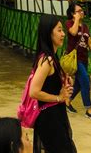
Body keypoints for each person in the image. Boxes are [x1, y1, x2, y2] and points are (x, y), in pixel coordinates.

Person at [29, 14, 76, 153]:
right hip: (50, 118)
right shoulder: (47, 60)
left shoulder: (52, 57)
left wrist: (64, 80)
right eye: (59, 30)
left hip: (55, 115)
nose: (63, 34)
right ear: (49, 33)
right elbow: (33, 92)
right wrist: (58, 98)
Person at [65, 2, 91, 119]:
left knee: (79, 84)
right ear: (72, 13)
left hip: (84, 58)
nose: (81, 12)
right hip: (74, 59)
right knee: (85, 81)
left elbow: (89, 43)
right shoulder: (69, 23)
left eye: (82, 10)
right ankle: (89, 109)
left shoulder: (85, 27)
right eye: (78, 11)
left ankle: (67, 102)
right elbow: (73, 32)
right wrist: (76, 20)